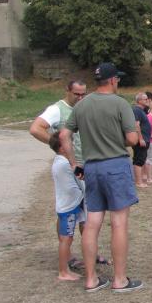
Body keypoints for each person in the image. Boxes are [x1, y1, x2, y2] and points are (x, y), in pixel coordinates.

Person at [59, 62, 143, 293]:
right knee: (119, 222)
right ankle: (119, 280)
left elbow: (64, 134)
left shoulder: (82, 105)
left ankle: (91, 279)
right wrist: (118, 138)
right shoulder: (119, 104)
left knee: (92, 223)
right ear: (113, 80)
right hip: (115, 165)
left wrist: (73, 163)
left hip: (91, 168)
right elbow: (132, 140)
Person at [29, 80, 108, 267]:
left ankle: (90, 252)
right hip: (69, 167)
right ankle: (68, 254)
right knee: (68, 209)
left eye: (83, 94)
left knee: (88, 211)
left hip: (87, 164)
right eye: (76, 94)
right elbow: (35, 128)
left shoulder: (85, 108)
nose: (80, 97)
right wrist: (58, 145)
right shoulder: (57, 109)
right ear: (67, 91)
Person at [48, 131, 85, 281]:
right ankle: (63, 271)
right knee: (66, 239)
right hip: (68, 208)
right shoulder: (65, 164)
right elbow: (76, 184)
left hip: (68, 205)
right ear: (62, 147)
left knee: (67, 238)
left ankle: (65, 269)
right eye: (69, 143)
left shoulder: (59, 161)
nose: (72, 146)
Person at [132, 92, 152, 188]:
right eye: (145, 99)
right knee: (138, 160)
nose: (147, 100)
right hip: (141, 140)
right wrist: (141, 138)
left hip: (144, 139)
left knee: (141, 159)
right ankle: (138, 182)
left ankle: (140, 180)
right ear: (139, 101)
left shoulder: (142, 110)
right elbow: (136, 125)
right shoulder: (136, 110)